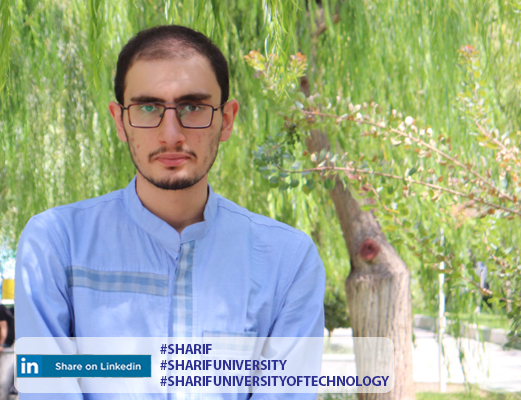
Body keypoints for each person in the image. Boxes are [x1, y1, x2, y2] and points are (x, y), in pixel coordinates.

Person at [15, 25, 325, 397]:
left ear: (226, 120)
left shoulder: (287, 262)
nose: (171, 134)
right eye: (148, 108)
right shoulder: (56, 244)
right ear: (120, 120)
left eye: (193, 107)